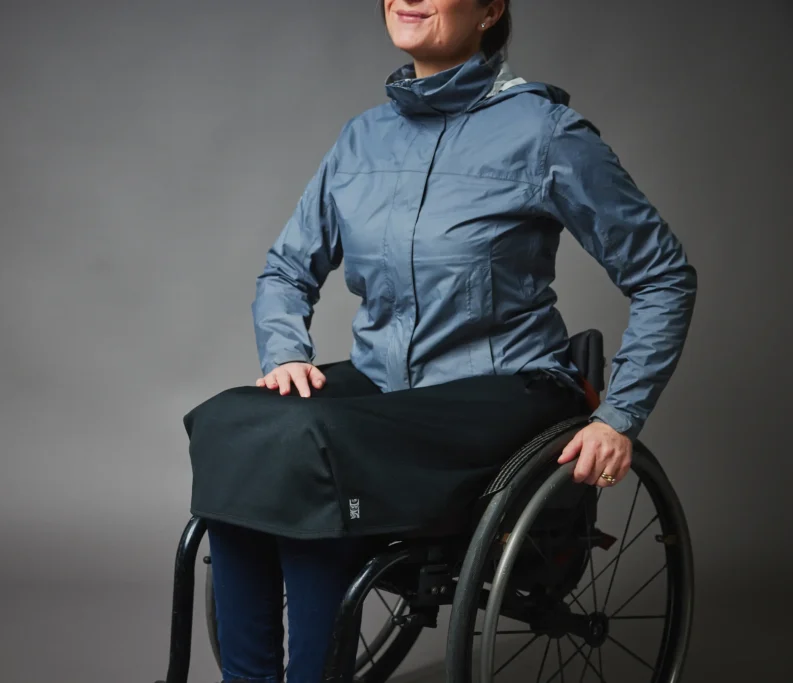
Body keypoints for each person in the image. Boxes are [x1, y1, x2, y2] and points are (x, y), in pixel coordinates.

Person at [181, 1, 697, 682]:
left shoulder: (544, 132)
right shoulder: (362, 140)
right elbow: (285, 270)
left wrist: (620, 415)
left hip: (505, 391)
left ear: (490, 9)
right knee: (233, 423)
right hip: (388, 389)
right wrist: (284, 353)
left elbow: (664, 276)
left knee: (314, 448)